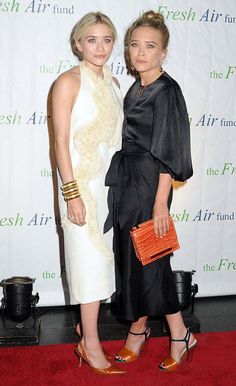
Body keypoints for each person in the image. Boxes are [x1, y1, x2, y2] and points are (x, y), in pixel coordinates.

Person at [105, 10, 197, 371]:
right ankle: (140, 329)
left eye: (150, 46)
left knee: (153, 259)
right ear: (128, 51)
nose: (141, 52)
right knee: (133, 259)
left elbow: (168, 151)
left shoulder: (167, 90)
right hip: (129, 182)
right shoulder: (137, 86)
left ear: (163, 52)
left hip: (151, 184)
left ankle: (178, 334)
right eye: (134, 45)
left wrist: (161, 203)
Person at [52, 12, 125, 375]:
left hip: (107, 189)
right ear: (78, 43)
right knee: (87, 266)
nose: (100, 47)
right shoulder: (68, 82)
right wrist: (72, 194)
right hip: (80, 187)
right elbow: (60, 144)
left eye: (107, 39)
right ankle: (90, 346)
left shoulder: (113, 82)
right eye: (91, 40)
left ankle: (86, 333)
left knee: (100, 267)